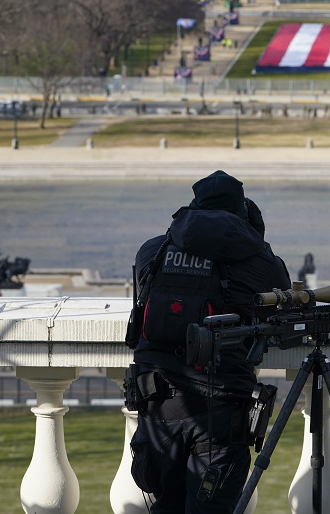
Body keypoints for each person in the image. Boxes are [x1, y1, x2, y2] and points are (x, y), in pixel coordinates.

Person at [127, 170, 291, 513]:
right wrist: (256, 236)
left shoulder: (153, 251)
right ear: (242, 216)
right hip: (220, 410)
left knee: (165, 506)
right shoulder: (258, 263)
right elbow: (282, 298)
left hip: (156, 405)